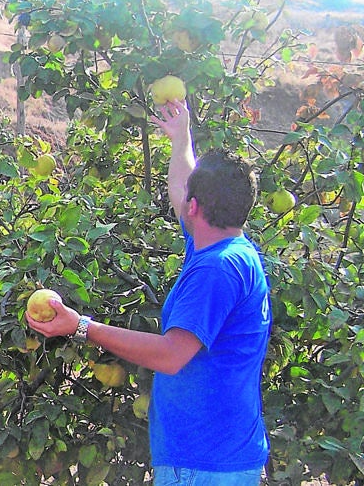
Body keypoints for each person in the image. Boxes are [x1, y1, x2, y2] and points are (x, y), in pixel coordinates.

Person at [26, 98, 272, 485]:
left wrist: (81, 327)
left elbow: (172, 355)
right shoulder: (224, 244)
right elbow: (184, 187)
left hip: (203, 464)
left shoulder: (215, 269)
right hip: (216, 455)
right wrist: (181, 138)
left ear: (195, 208)